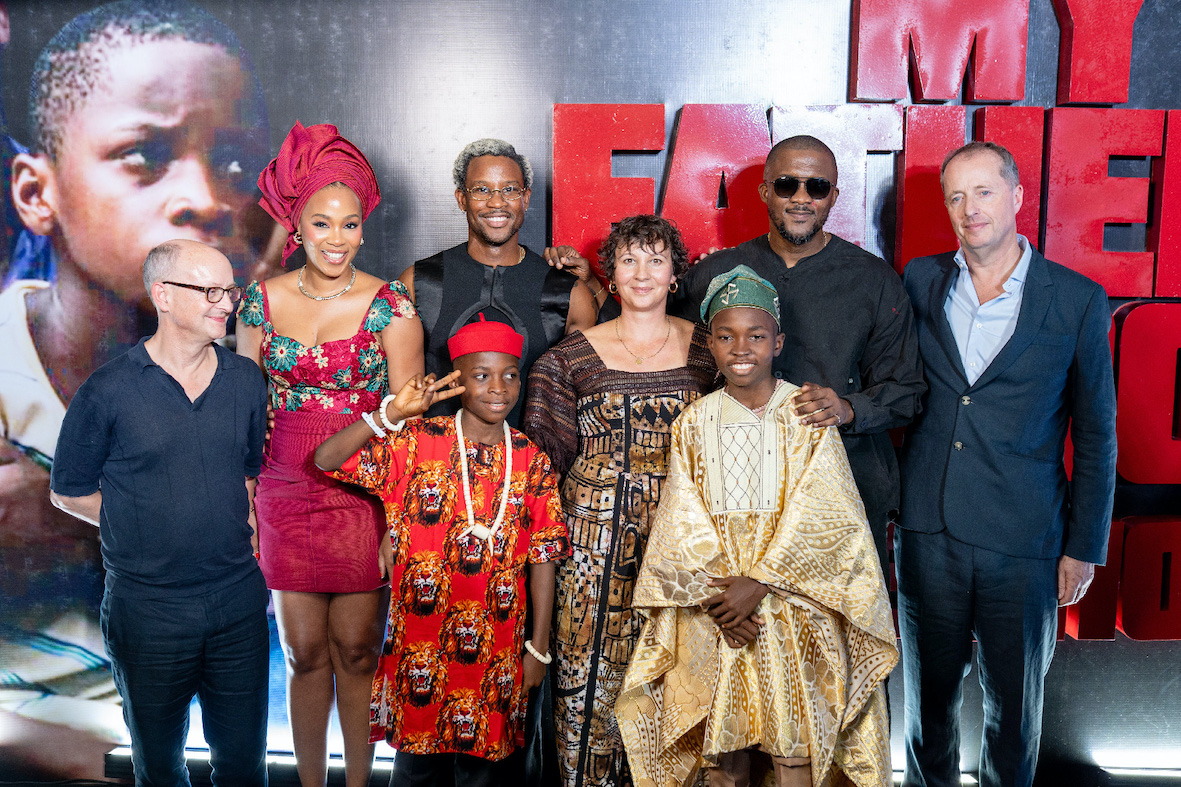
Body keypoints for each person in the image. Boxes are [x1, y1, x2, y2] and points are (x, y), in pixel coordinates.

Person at [0, 0, 272, 773]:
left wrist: (67, 530)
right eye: (146, 153)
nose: (207, 199)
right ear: (35, 193)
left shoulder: (265, 378)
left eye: (234, 164)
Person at [616, 266, 897, 787]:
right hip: (718, 611)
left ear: (779, 342)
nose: (741, 348)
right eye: (726, 336)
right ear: (711, 344)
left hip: (794, 611)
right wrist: (721, 600)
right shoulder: (695, 423)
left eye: (756, 336)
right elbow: (681, 522)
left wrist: (761, 583)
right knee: (726, 754)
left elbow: (829, 516)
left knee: (795, 745)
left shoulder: (807, 413)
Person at [896, 141, 1118, 787]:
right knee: (924, 710)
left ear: (1017, 197)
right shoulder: (918, 278)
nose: (970, 209)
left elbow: (1097, 433)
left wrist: (1084, 546)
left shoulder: (1076, 299)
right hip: (927, 530)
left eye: (983, 191)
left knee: (1014, 715)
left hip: (1024, 540)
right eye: (956, 195)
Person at [237, 121, 422, 787]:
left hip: (363, 497)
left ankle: (359, 782)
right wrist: (246, 500)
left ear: (363, 229)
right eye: (322, 224)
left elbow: (407, 425)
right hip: (282, 489)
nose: (336, 239)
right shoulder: (259, 304)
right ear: (298, 227)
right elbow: (243, 410)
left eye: (348, 225)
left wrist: (401, 523)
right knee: (301, 650)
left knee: (356, 650)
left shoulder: (390, 305)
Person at [313, 317, 571, 787]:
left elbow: (545, 556)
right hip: (422, 650)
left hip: (499, 651)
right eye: (481, 376)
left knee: (488, 775)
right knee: (415, 773)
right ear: (459, 380)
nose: (498, 388)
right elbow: (325, 460)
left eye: (510, 375)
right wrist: (391, 413)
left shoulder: (530, 457)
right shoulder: (416, 441)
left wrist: (538, 648)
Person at [49, 239, 270, 786]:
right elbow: (69, 491)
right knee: (160, 768)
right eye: (211, 291)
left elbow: (248, 471)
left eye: (230, 290)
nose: (227, 304)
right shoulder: (106, 391)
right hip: (147, 610)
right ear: (163, 295)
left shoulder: (245, 379)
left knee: (244, 767)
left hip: (237, 604)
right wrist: (141, 524)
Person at [522, 215, 716, 787]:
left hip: (685, 547)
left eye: (656, 260)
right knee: (589, 687)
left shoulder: (710, 352)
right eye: (629, 259)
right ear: (611, 270)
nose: (642, 273)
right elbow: (542, 473)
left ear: (676, 273)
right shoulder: (567, 359)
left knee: (678, 684)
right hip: (590, 552)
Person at [678, 134, 925, 577]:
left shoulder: (875, 281)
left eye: (816, 187)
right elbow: (654, 338)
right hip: (734, 490)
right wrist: (590, 287)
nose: (801, 199)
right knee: (744, 633)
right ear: (765, 191)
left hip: (841, 495)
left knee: (830, 640)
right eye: (787, 185)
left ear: (833, 195)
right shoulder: (717, 272)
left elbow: (907, 390)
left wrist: (849, 408)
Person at [399, 138, 599, 426]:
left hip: (530, 465)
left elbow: (579, 405)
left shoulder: (567, 294)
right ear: (461, 199)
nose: (496, 202)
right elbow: (405, 401)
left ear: (526, 199)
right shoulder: (418, 283)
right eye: (481, 190)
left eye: (509, 190)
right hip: (436, 463)